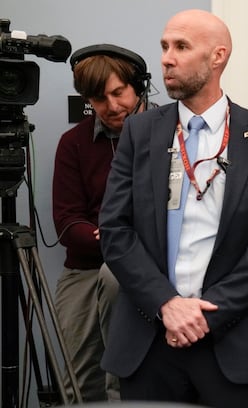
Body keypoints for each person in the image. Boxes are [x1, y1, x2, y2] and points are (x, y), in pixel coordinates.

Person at [98, 9, 248, 406]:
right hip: (150, 341)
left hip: (235, 342)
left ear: (218, 57)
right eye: (164, 47)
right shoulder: (140, 132)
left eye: (181, 47)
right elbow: (115, 228)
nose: (167, 58)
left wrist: (206, 315)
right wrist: (167, 304)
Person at [53, 43, 154, 402]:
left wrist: (125, 244)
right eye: (99, 99)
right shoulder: (73, 144)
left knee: (128, 378)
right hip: (85, 267)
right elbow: (66, 221)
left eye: (118, 93)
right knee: (78, 380)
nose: (112, 107)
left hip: (148, 263)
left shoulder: (171, 133)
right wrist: (113, 238)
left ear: (137, 85)